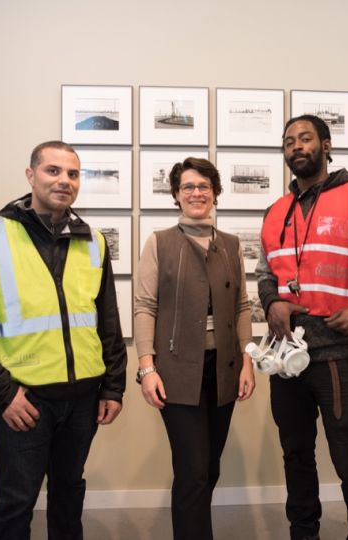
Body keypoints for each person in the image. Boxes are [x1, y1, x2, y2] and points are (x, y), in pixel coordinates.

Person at [0, 140, 127, 539]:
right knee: (15, 503)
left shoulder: (93, 241)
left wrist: (113, 386)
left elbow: (108, 322)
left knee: (68, 496)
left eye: (73, 174)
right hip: (25, 399)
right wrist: (2, 394)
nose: (64, 180)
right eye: (53, 171)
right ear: (31, 176)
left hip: (83, 397)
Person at [256, 114, 348, 540]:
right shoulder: (275, 211)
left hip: (337, 355)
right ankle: (303, 533)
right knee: (296, 455)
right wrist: (272, 301)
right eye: (288, 142)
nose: (296, 147)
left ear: (325, 145)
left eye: (305, 139)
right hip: (286, 358)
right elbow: (266, 272)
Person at [134, 157, 255, 540]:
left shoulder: (231, 246)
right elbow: (144, 306)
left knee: (210, 469)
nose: (196, 193)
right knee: (193, 471)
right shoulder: (160, 243)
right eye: (188, 186)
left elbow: (242, 306)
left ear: (215, 193)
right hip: (176, 372)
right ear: (176, 195)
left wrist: (248, 359)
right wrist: (146, 367)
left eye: (204, 186)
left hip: (223, 369)